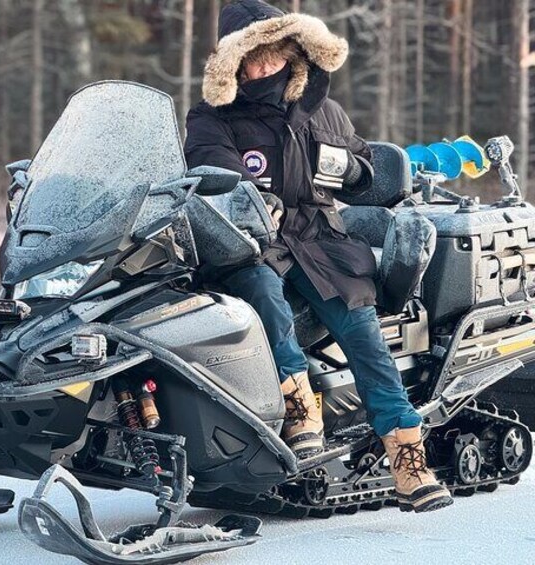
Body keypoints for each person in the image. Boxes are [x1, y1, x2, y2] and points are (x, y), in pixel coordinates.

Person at [184, 0, 452, 513]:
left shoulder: (325, 111)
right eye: (247, 58)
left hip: (324, 244)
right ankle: (299, 409)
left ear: (290, 50)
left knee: (361, 332)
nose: (259, 67)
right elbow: (208, 167)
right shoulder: (212, 116)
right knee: (263, 294)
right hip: (250, 244)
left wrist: (353, 171)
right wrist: (245, 197)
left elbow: (367, 172)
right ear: (232, 62)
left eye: (268, 54)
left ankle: (408, 459)